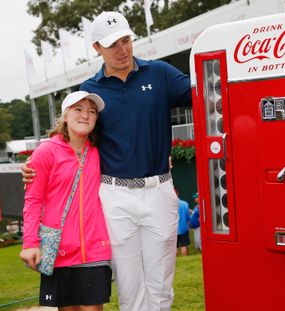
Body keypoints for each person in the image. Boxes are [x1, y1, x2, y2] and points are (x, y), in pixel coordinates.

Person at [23, 11, 191, 311]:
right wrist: (37, 162)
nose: (122, 49)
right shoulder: (90, 91)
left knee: (161, 284)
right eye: (113, 44)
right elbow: (74, 130)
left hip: (158, 190)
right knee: (129, 285)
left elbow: (206, 91)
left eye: (126, 40)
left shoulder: (160, 74)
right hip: (114, 196)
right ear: (97, 48)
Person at [20, 91, 112, 311]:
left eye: (91, 111)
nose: (85, 115)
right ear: (65, 116)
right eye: (78, 109)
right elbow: (33, 200)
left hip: (95, 248)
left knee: (93, 308)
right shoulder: (46, 151)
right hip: (59, 248)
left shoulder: (102, 151)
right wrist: (30, 243)